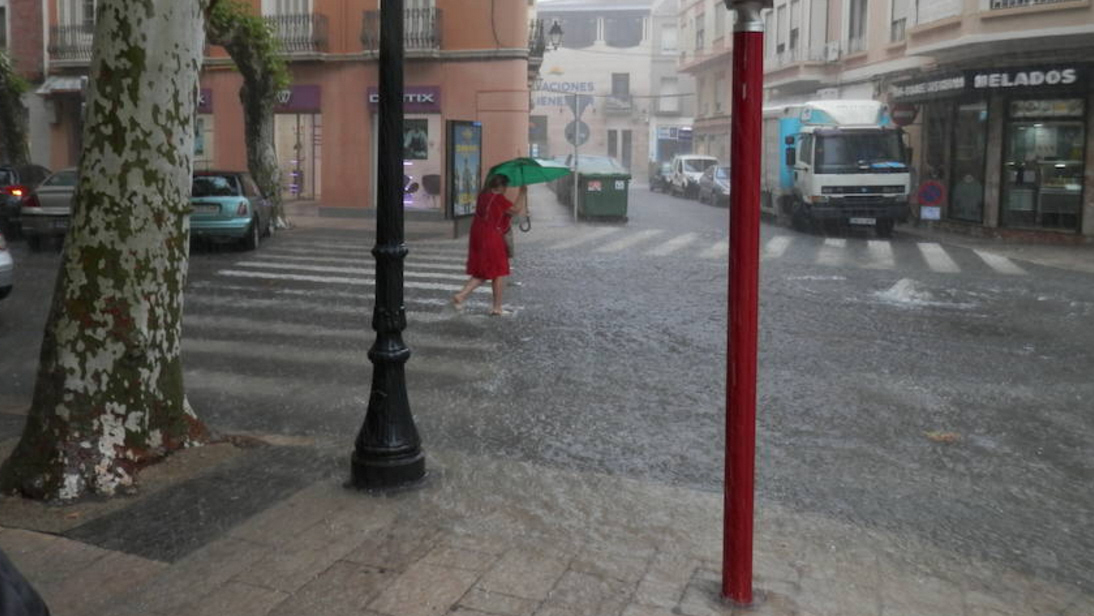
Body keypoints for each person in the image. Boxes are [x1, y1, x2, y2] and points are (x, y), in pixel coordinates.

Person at [452, 174, 527, 316]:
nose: (506, 189)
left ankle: (462, 296)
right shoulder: (498, 198)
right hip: (491, 237)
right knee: (499, 270)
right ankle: (495, 307)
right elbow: (516, 210)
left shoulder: (483, 196)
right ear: (501, 186)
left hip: (479, 236)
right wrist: (522, 193)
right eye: (505, 186)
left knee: (485, 270)